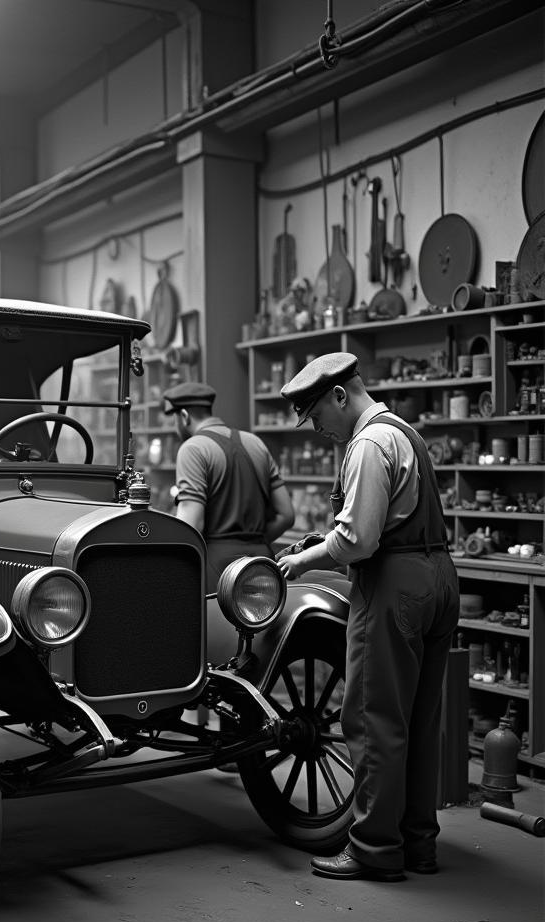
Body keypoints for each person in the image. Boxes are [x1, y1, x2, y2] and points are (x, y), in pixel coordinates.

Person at [276, 352, 459, 882]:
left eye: (316, 416)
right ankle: (418, 844)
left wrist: (303, 559)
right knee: (420, 722)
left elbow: (358, 541)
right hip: (438, 575)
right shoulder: (406, 433)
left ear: (340, 396)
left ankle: (376, 849)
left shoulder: (368, 443)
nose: (318, 430)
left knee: (374, 718)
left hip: (395, 584)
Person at [162, 381, 295, 589]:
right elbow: (286, 515)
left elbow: (191, 524)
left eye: (174, 420)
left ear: (185, 416)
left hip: (217, 569)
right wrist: (253, 543)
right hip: (262, 564)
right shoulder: (256, 443)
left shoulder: (193, 448)